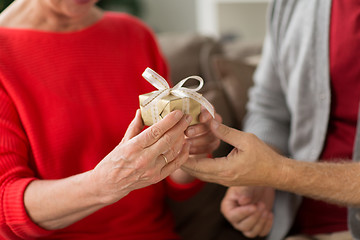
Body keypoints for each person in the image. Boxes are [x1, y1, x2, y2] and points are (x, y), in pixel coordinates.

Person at [0, 0, 220, 239]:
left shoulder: (133, 34)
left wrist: (190, 149)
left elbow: (173, 185)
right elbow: (5, 207)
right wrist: (104, 184)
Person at [183, 0, 360, 240]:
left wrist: (276, 172)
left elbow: (278, 171)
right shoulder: (291, 6)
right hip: (291, 225)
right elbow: (268, 106)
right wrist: (259, 172)